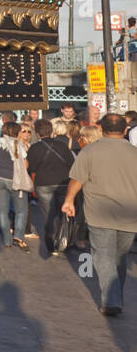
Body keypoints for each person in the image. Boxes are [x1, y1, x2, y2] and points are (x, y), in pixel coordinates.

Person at [62, 114, 137, 316]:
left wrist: (69, 200)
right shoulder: (134, 152)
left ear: (101, 130)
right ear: (124, 131)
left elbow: (77, 179)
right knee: (120, 258)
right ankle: (115, 297)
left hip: (99, 212)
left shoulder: (90, 151)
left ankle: (112, 299)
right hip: (129, 215)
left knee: (103, 256)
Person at [27, 118, 74, 255]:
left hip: (43, 183)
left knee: (48, 214)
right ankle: (64, 240)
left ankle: (51, 244)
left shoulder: (35, 148)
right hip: (63, 182)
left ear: (37, 132)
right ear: (51, 131)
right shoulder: (62, 146)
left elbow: (32, 168)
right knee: (62, 214)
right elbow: (71, 164)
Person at [0, 120, 31, 251]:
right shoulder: (19, 145)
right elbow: (25, 165)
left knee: (2, 211)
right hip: (14, 180)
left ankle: (7, 239)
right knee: (21, 210)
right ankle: (18, 236)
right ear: (16, 132)